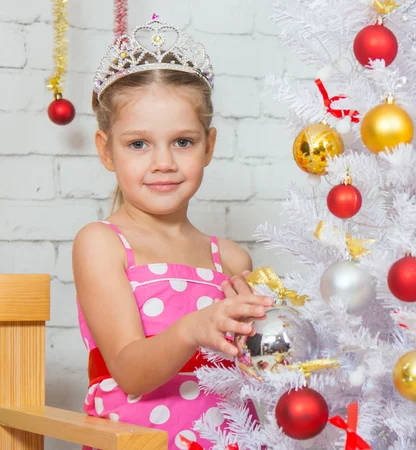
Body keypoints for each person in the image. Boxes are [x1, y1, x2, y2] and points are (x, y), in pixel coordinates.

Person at [72, 15, 272, 450]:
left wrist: (274, 343)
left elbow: (252, 371)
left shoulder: (233, 260)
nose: (163, 162)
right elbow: (129, 371)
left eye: (182, 141)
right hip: (139, 441)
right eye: (138, 144)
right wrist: (193, 329)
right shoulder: (102, 243)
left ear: (209, 145)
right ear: (106, 150)